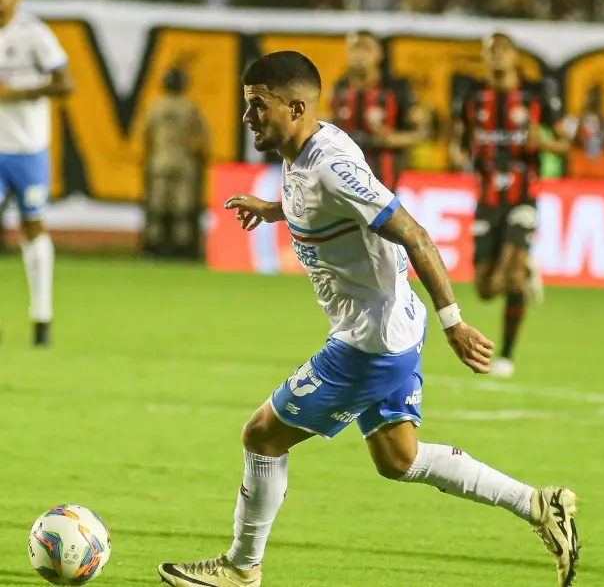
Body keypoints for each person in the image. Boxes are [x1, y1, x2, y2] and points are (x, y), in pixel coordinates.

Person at [156, 51, 580, 587]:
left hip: (368, 341)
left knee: (262, 435)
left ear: (296, 105)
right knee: (398, 458)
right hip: (394, 323)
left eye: (258, 107)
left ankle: (240, 568)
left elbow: (416, 234)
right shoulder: (303, 148)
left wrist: (455, 322)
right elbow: (319, 199)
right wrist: (274, 208)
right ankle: (540, 505)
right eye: (247, 106)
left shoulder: (333, 165)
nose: (248, 118)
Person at [451, 32, 569, 379]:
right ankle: (525, 269)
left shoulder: (536, 95)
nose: (496, 56)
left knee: (511, 277)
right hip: (486, 198)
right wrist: (457, 153)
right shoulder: (472, 97)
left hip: (522, 195)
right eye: (489, 51)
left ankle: (505, 355)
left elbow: (565, 142)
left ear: (515, 56)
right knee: (486, 289)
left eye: (502, 50)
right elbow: (460, 140)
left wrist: (543, 141)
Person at [0, 0, 72, 347]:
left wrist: (17, 94)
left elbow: (66, 83)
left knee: (32, 227)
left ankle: (41, 318)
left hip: (27, 149)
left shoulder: (34, 34)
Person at [327, 30, 428, 190]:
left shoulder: (398, 88)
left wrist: (394, 139)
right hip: (344, 180)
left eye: (365, 49)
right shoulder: (339, 87)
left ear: (379, 54)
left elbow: (422, 132)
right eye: (353, 48)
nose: (358, 55)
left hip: (384, 182)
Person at [142, 66, 209, 258]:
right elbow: (202, 138)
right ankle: (183, 250)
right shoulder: (190, 107)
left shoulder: (156, 107)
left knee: (156, 208)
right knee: (183, 210)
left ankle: (153, 248)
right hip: (184, 163)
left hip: (159, 162)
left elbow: (146, 136)